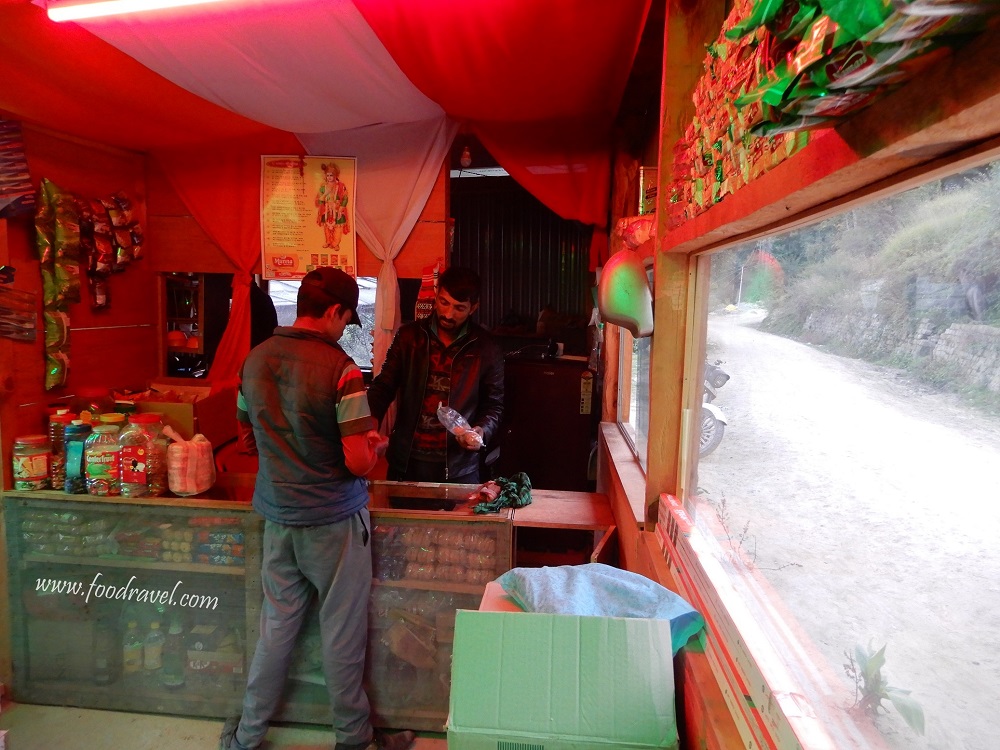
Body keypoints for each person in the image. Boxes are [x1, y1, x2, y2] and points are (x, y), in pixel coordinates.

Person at [220, 267, 414, 750]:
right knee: (341, 634)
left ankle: (246, 737)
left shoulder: (254, 361)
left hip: (278, 517)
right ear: (334, 311)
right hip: (334, 523)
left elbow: (248, 440)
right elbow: (357, 462)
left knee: (275, 629)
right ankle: (353, 739)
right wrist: (373, 446)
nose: (344, 329)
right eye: (346, 320)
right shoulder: (342, 370)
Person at [367, 266, 504, 484]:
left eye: (459, 308)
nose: (448, 314)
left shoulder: (487, 348)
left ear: (473, 308)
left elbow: (494, 405)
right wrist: (370, 426)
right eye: (444, 302)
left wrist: (480, 431)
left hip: (460, 466)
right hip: (408, 460)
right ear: (436, 294)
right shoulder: (409, 337)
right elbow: (383, 387)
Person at [315, 162, 350, 251]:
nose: (329, 177)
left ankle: (335, 244)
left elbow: (345, 198)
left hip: (338, 210)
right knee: (327, 229)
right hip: (326, 211)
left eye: (331, 175)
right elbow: (319, 201)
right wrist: (325, 194)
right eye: (328, 175)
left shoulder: (341, 186)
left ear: (336, 175)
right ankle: (328, 242)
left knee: (338, 229)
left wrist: (341, 208)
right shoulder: (323, 187)